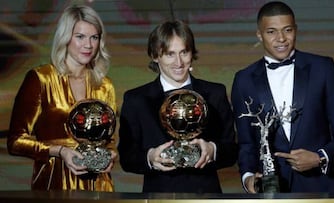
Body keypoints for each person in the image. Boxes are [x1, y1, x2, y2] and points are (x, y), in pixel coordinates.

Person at [231, 1, 334, 193]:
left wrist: (320, 157)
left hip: (323, 187)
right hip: (272, 191)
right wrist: (248, 179)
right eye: (271, 32)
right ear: (259, 34)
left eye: (287, 30)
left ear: (295, 30)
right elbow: (246, 143)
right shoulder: (244, 79)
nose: (281, 38)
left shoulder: (323, 68)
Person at [118, 20, 237, 193]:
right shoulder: (136, 100)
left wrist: (213, 150)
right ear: (155, 56)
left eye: (184, 52)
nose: (179, 62)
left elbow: (231, 150)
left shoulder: (215, 94)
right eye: (170, 54)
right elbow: (127, 158)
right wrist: (150, 158)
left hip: (206, 194)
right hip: (159, 195)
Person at [7, 5, 117, 191]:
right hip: (55, 182)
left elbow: (109, 141)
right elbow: (15, 141)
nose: (88, 45)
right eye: (80, 37)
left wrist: (111, 156)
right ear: (65, 37)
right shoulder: (41, 79)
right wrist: (59, 151)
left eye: (94, 37)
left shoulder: (105, 85)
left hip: (99, 185)